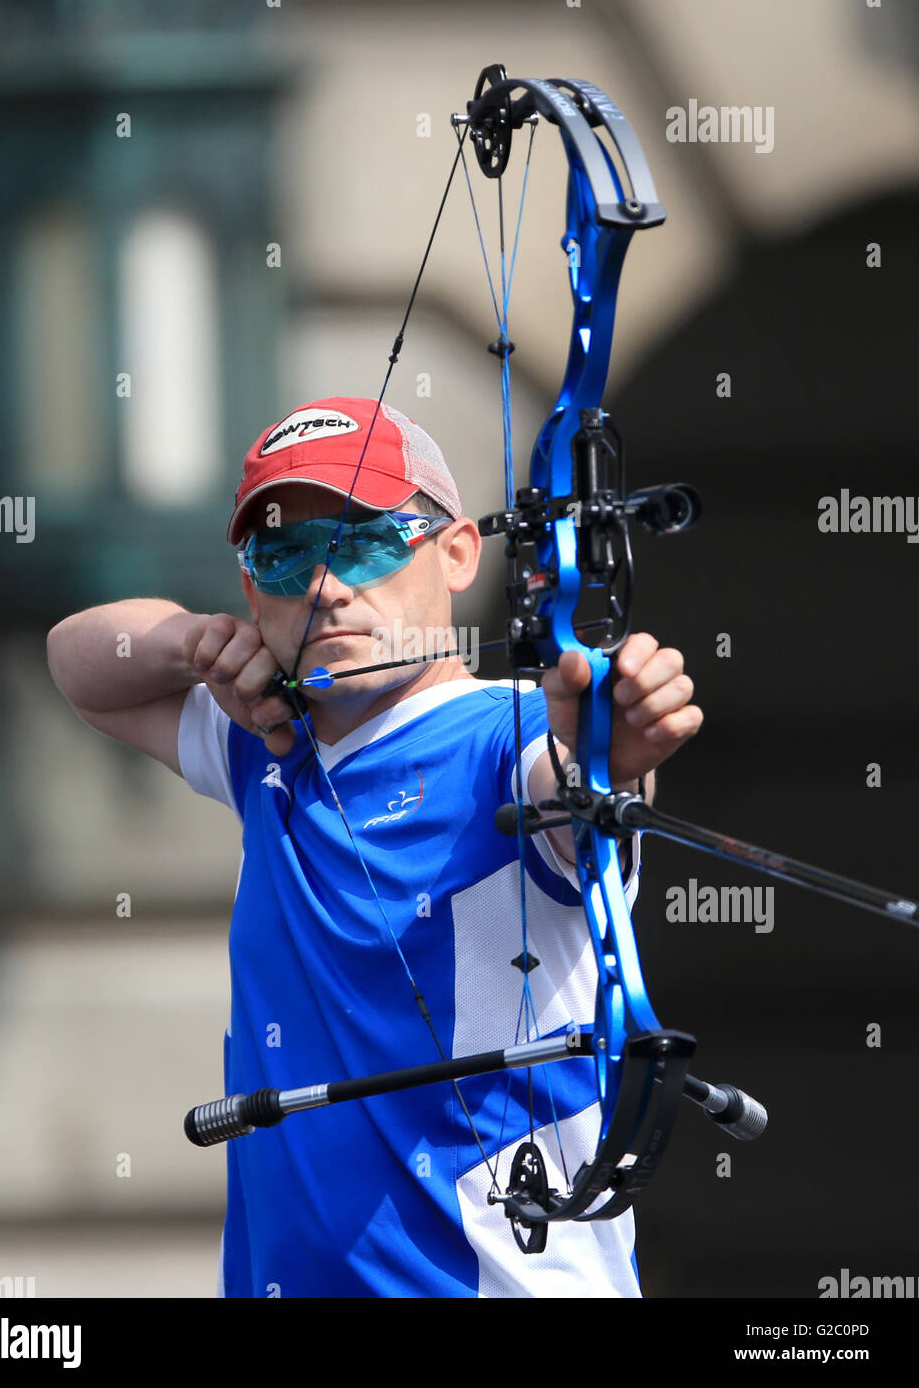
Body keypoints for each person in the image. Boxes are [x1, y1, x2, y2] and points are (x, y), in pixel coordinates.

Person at [46, 396, 703, 1298]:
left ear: (459, 552)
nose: (322, 585)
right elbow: (79, 665)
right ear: (252, 590)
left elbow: (567, 789)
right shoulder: (266, 744)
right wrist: (194, 644)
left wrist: (611, 756)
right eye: (283, 555)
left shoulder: (502, 740)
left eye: (362, 540)